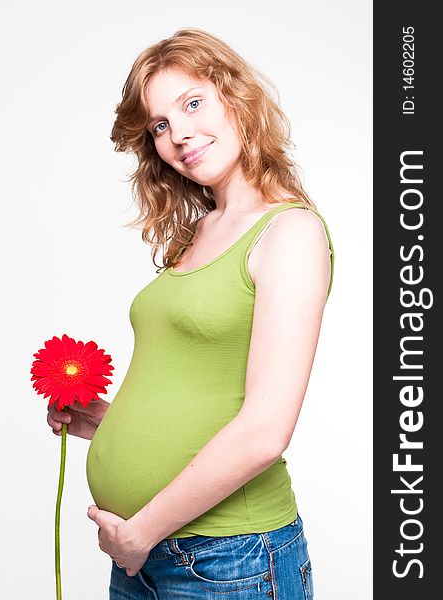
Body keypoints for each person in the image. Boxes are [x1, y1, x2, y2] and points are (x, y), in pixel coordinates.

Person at [47, 27, 334, 599]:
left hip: (228, 559)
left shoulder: (290, 232)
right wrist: (110, 422)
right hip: (147, 556)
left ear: (237, 96)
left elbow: (264, 432)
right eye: (159, 125)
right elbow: (203, 389)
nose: (178, 133)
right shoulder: (197, 232)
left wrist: (140, 533)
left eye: (192, 103)